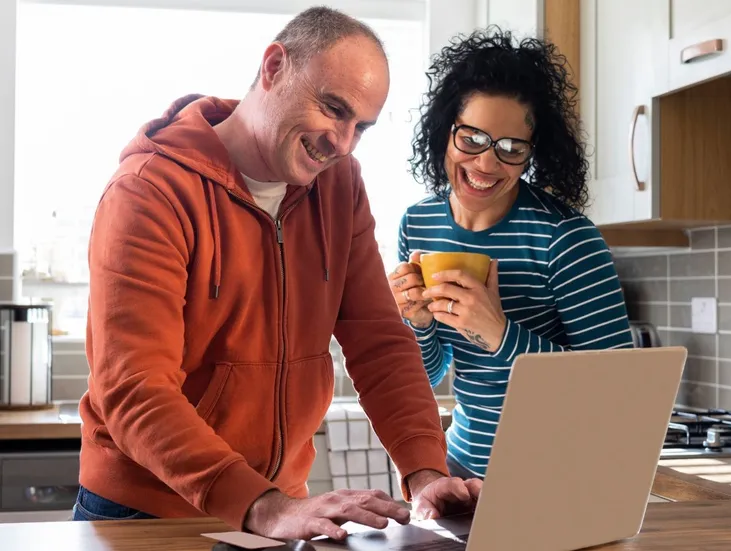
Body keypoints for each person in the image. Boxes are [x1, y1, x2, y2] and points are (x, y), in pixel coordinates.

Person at [75, 7, 479, 541]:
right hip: (149, 513)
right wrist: (261, 505)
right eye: (333, 109)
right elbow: (133, 389)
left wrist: (425, 471)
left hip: (278, 512)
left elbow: (379, 343)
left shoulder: (341, 186)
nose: (343, 143)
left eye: (362, 127)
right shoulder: (149, 190)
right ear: (273, 67)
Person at [387, 27, 634, 480]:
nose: (485, 164)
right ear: (446, 131)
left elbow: (618, 393)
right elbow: (431, 371)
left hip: (552, 476)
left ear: (531, 154)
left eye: (510, 148)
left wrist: (500, 333)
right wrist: (417, 324)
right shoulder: (418, 224)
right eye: (472, 138)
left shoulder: (566, 238)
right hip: (458, 465)